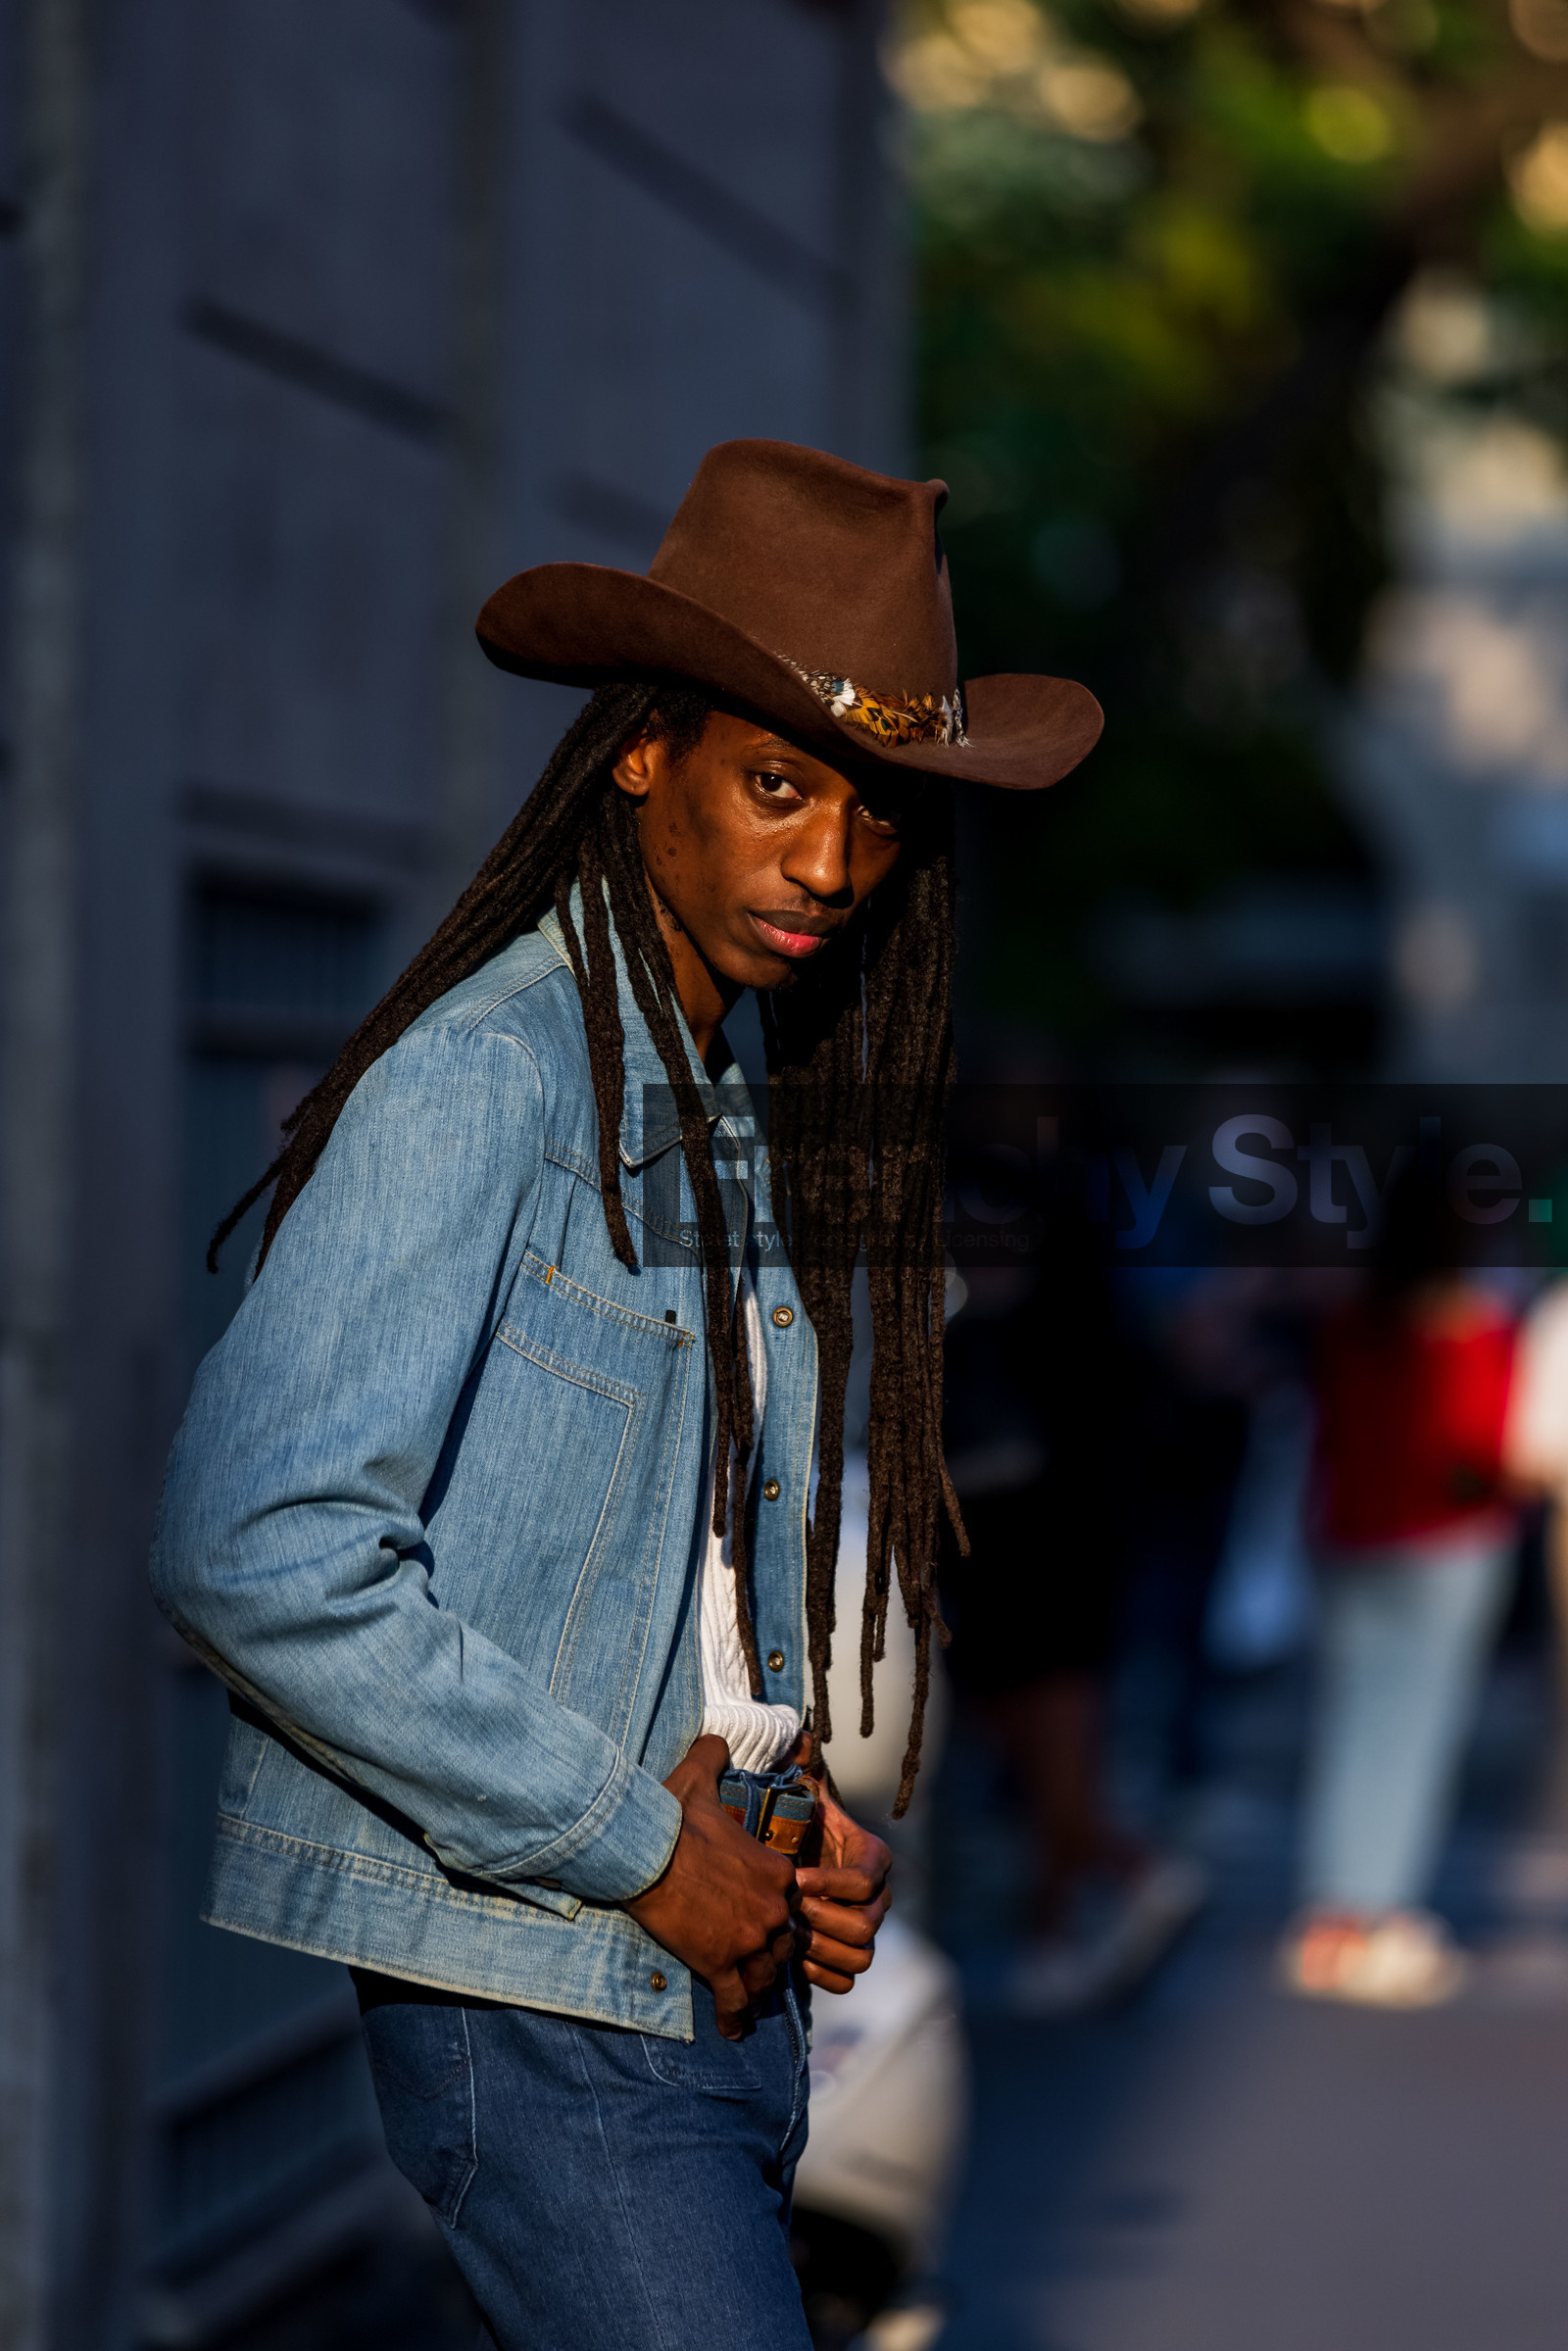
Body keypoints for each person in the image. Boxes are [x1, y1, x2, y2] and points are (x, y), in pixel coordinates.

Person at [149, 440, 1102, 2351]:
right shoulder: (487, 1073)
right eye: (775, 786)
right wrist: (639, 1839)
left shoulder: (719, 1098)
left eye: (871, 812)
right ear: (642, 748)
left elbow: (681, 1597)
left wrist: (788, 1817)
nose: (830, 862)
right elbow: (258, 1542)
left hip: (713, 1992)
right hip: (546, 1992)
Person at [1280, 1164, 1518, 2009]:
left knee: (1351, 1727)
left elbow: (1330, 1431)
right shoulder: (1476, 1327)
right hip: (1446, 1547)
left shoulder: (1351, 1322)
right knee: (1412, 1735)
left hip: (1352, 1537)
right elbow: (1484, 1445)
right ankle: (1374, 1918)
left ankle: (1332, 1916)